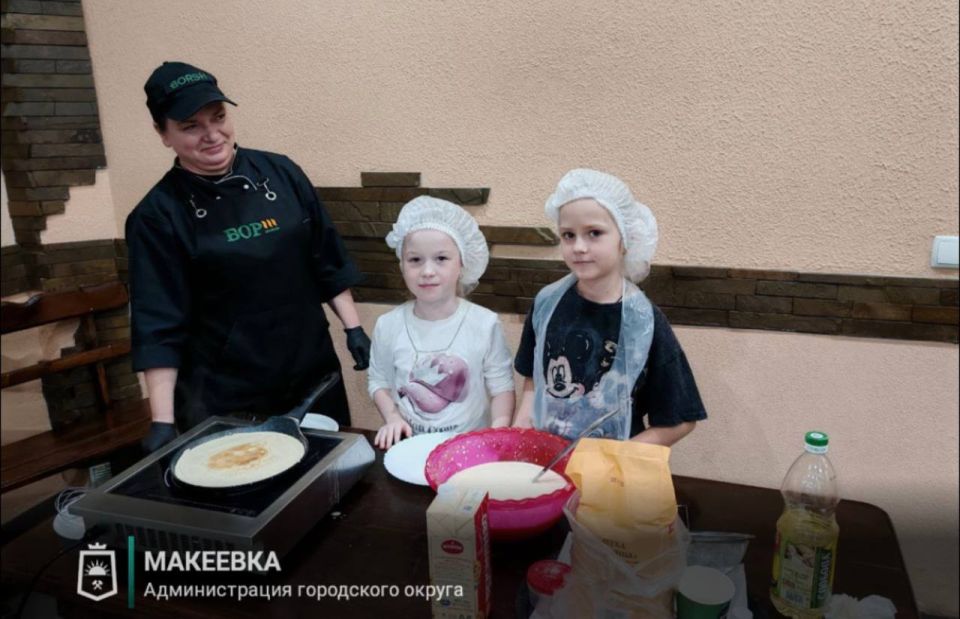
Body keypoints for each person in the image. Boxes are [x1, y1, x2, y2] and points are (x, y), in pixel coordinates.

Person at [127, 61, 370, 452]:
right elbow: (158, 322)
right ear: (162, 134)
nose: (212, 135)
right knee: (246, 497)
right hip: (227, 392)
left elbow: (325, 258)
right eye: (191, 126)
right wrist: (162, 420)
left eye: (219, 117)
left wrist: (353, 328)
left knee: (328, 480)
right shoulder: (158, 216)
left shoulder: (282, 172)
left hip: (311, 370)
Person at [512, 169, 706, 445]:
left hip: (611, 477)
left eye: (594, 233)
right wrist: (522, 423)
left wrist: (616, 458)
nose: (578, 246)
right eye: (568, 235)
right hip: (545, 463)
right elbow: (534, 376)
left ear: (625, 240)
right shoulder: (547, 304)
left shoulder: (644, 322)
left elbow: (681, 420)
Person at [368, 197, 515, 449]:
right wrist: (392, 417)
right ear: (402, 265)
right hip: (410, 449)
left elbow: (502, 387)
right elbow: (378, 380)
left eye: (441, 258)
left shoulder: (484, 323)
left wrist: (496, 433)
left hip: (469, 450)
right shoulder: (388, 325)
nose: (427, 271)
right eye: (415, 260)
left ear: (462, 263)